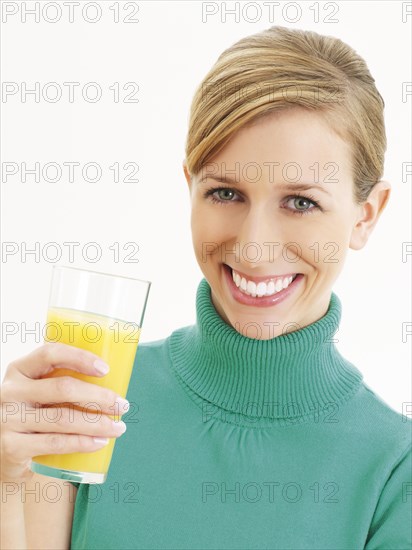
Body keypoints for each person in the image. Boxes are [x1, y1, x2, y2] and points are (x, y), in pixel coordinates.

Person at [1, 25, 411, 550]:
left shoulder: (394, 472)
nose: (254, 247)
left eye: (301, 202)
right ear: (189, 187)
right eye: (224, 192)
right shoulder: (92, 403)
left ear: (366, 215)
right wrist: (6, 486)